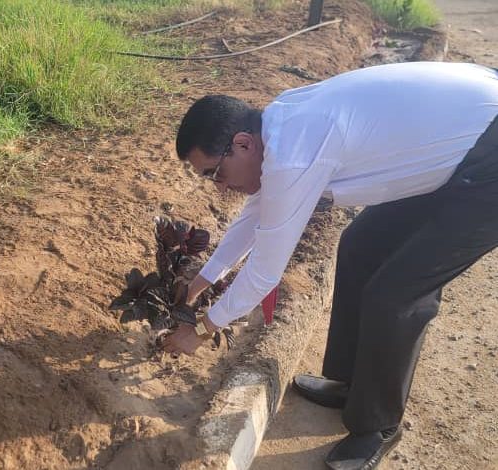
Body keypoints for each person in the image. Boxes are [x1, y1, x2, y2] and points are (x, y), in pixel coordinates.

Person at [162, 61, 498, 470]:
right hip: (459, 142)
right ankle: (348, 383)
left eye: (216, 172)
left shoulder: (292, 155)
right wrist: (199, 282)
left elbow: (265, 273)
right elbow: (255, 217)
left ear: (243, 144)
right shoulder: (278, 128)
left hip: (489, 163)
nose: (220, 186)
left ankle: (377, 426)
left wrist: (201, 329)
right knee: (359, 245)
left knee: (396, 293)